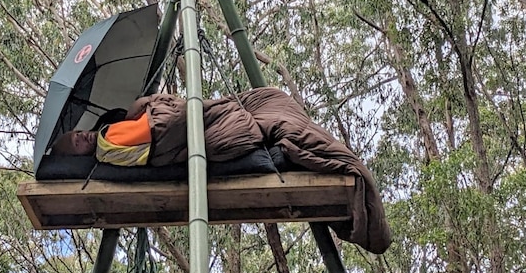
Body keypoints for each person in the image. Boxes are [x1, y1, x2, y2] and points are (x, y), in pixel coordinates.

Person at [50, 86, 391, 254]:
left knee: (272, 103)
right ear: (80, 155)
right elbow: (171, 122)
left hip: (215, 125)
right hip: (224, 131)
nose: (81, 136)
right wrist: (151, 104)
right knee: (281, 123)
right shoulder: (109, 140)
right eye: (75, 142)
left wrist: (150, 106)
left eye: (77, 132)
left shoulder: (112, 137)